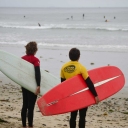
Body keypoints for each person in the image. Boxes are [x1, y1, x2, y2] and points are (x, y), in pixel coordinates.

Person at [60, 48, 100, 128]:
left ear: (69, 56)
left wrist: (65, 97)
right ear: (79, 57)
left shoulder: (63, 67)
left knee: (73, 116)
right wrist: (95, 95)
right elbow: (89, 82)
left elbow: (62, 84)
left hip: (72, 96)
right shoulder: (81, 67)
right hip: (82, 96)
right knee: (82, 117)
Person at [21, 41, 41, 128]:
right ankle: (30, 125)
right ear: (35, 50)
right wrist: (38, 85)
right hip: (32, 85)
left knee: (25, 104)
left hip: (24, 84)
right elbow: (37, 73)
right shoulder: (35, 60)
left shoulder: (22, 59)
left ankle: (24, 125)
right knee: (31, 106)